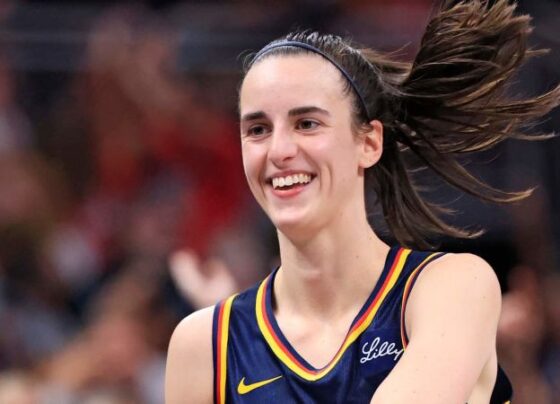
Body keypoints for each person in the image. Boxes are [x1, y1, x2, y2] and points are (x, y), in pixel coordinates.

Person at [165, 0, 560, 403]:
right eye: (258, 129)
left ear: (369, 142)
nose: (278, 149)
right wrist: (235, 332)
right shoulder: (206, 345)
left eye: (307, 123)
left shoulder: (451, 287)